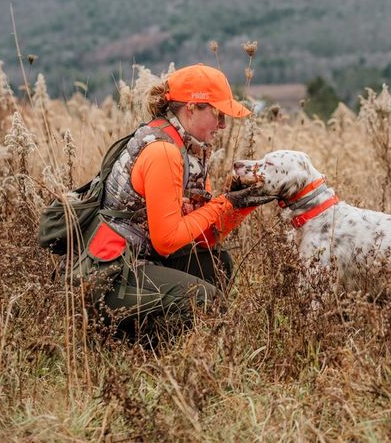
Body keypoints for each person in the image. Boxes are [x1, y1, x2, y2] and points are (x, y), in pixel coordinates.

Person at [71, 64, 275, 336]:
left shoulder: (190, 150)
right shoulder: (163, 152)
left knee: (216, 263)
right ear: (191, 107)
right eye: (217, 112)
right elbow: (166, 241)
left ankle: (172, 345)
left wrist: (240, 205)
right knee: (206, 299)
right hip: (107, 277)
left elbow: (203, 240)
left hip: (139, 261)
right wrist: (223, 204)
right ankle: (135, 348)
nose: (224, 124)